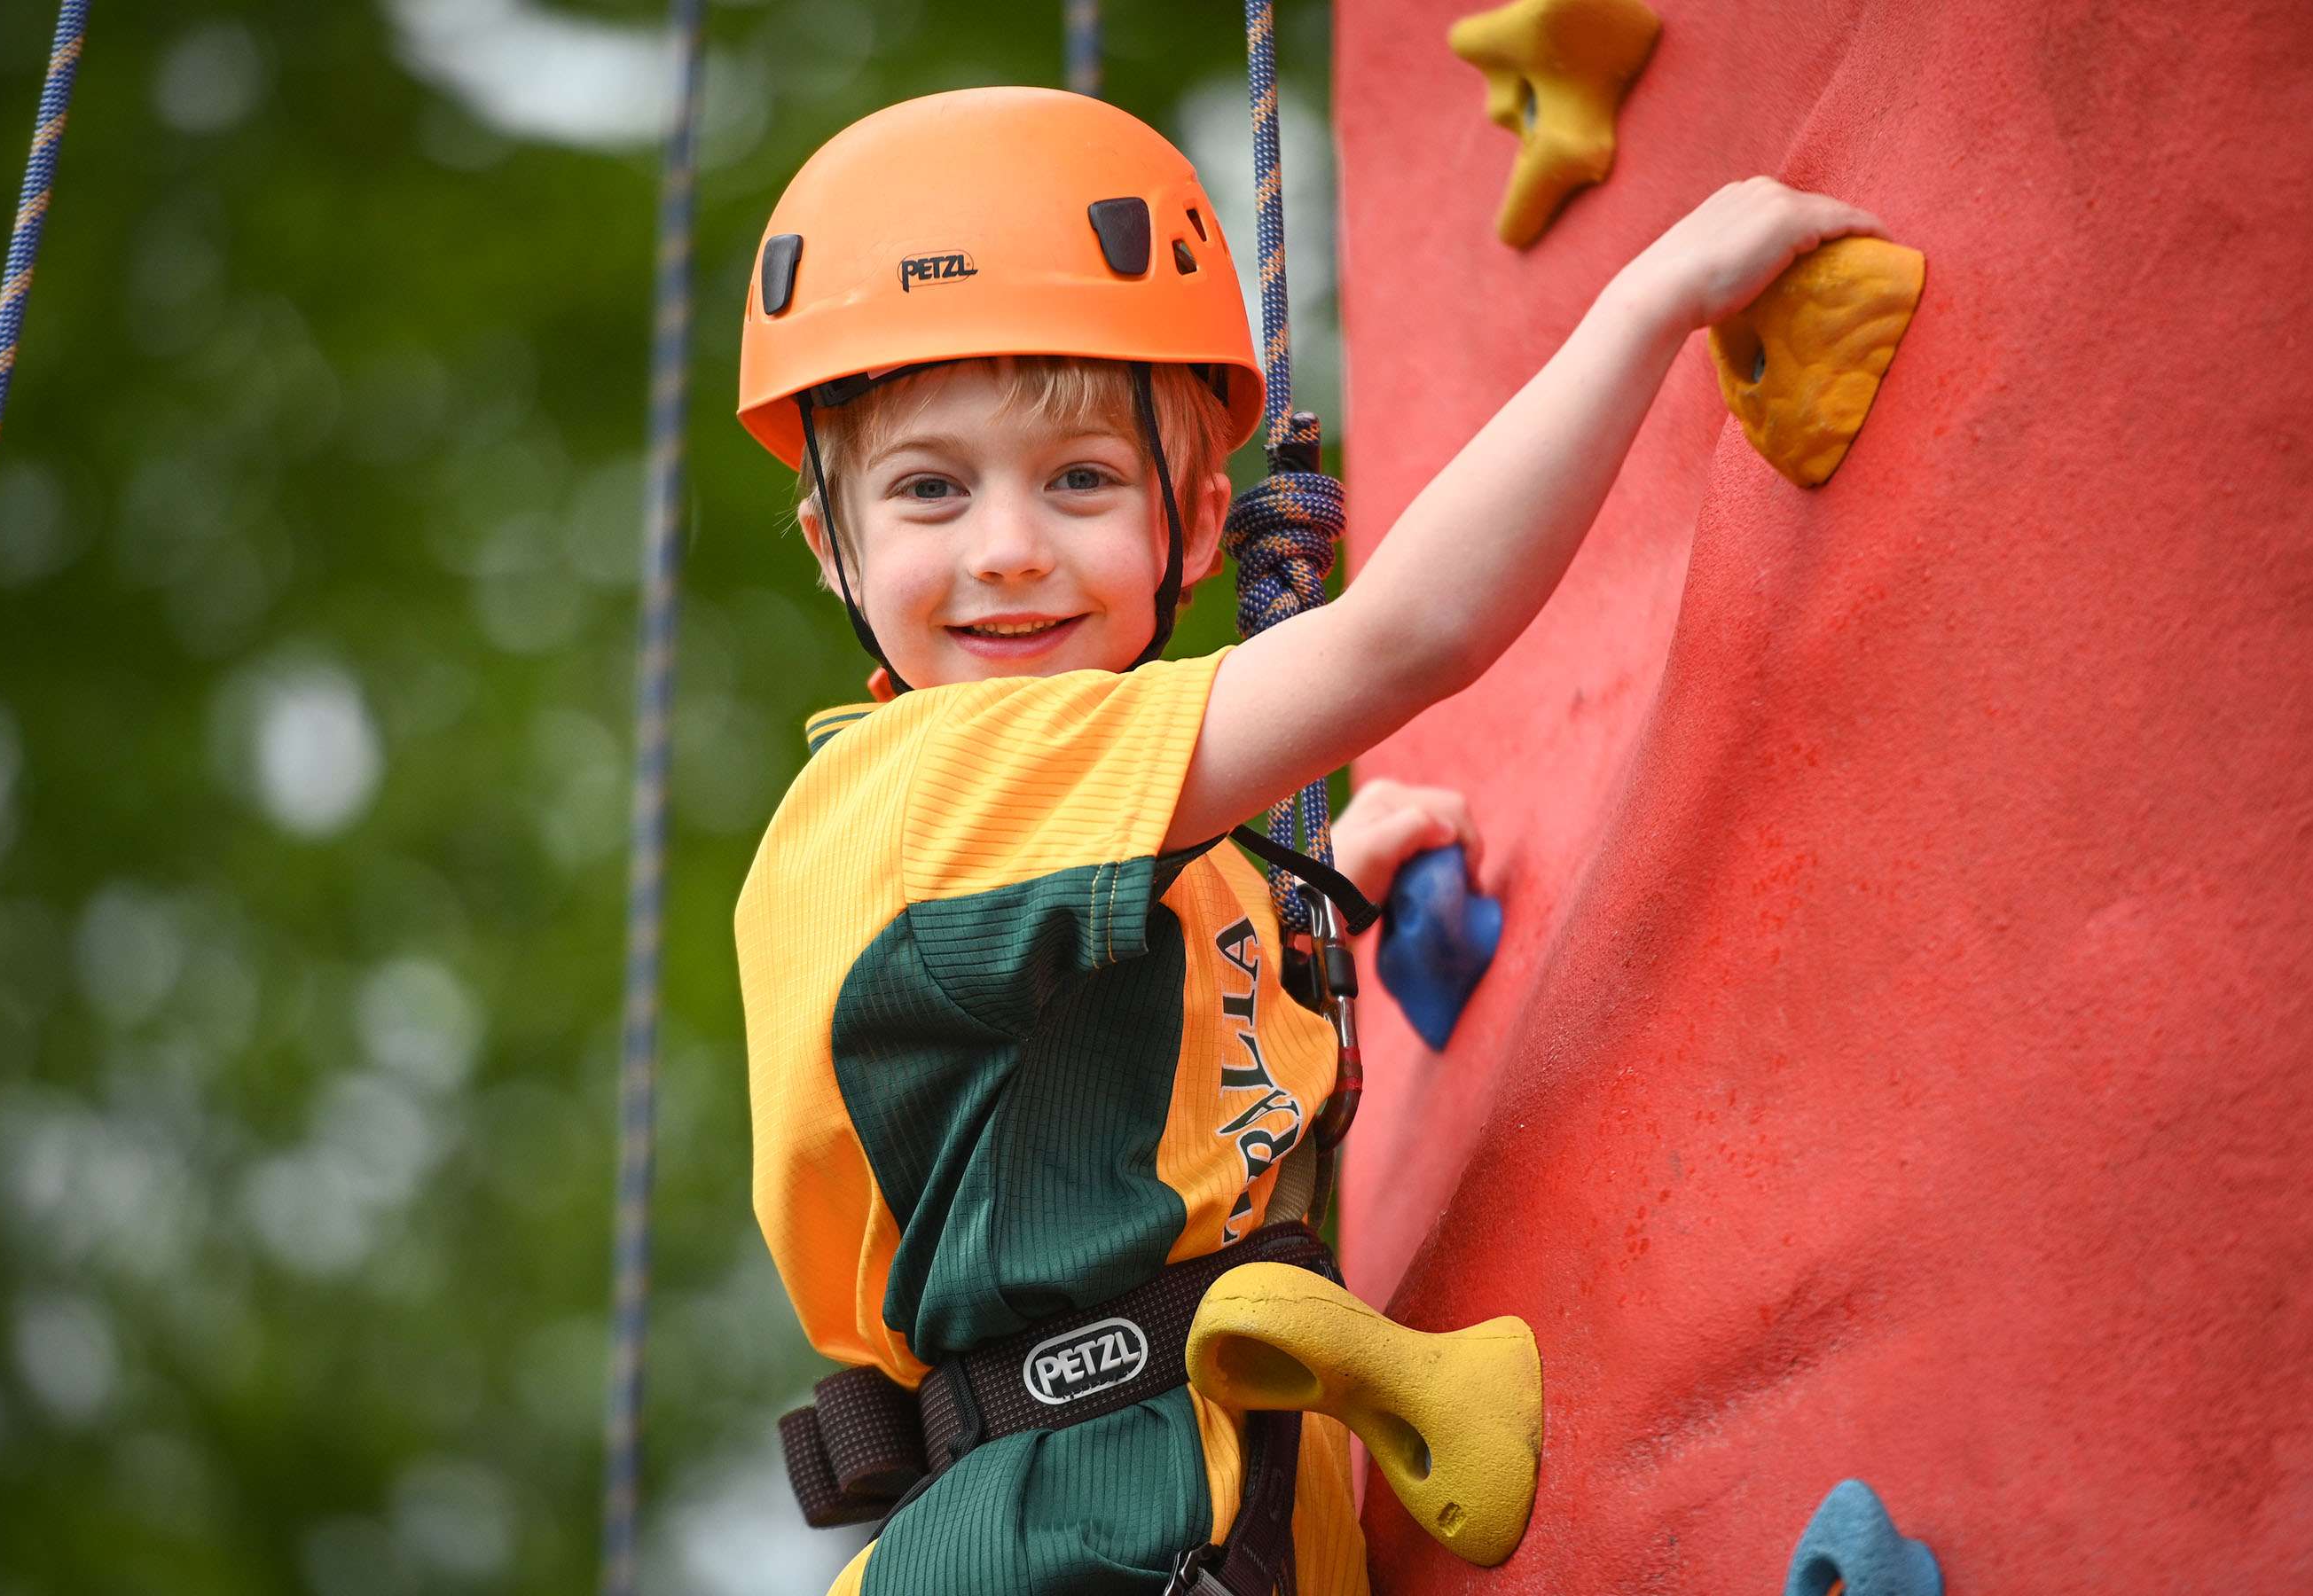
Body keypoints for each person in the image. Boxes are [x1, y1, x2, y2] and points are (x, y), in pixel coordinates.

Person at [733, 86, 1882, 1596]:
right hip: (1068, 1540)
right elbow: (1407, 637)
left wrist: (1292, 912)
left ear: (1194, 527)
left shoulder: (1114, 839)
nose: (1006, 544)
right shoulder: (924, 795)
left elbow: (1110, 1072)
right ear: (836, 543)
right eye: (931, 490)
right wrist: (1646, 309)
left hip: (1171, 1522)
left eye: (1078, 478)